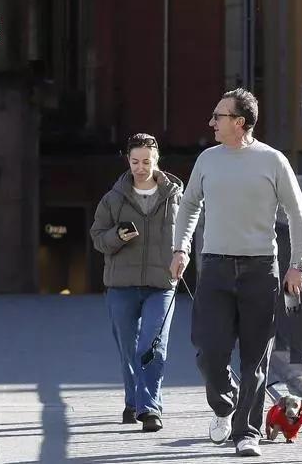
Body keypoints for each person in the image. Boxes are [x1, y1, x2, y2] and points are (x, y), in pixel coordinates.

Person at [170, 89, 302, 457]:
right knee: (209, 351)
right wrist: (181, 247)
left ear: (240, 123)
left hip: (260, 269)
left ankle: (246, 432)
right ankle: (225, 405)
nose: (211, 122)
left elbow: (297, 214)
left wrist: (297, 264)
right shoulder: (207, 159)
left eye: (218, 116)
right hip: (214, 267)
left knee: (255, 358)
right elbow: (188, 207)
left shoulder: (273, 161)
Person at [89, 133, 184, 433]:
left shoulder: (175, 196)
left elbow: (188, 231)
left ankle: (150, 408)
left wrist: (184, 254)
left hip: (162, 283)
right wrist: (117, 236)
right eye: (135, 161)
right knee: (129, 350)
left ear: (157, 161)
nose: (140, 167)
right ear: (127, 161)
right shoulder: (113, 198)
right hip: (121, 284)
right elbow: (97, 238)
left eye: (147, 161)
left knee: (153, 346)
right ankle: (133, 401)